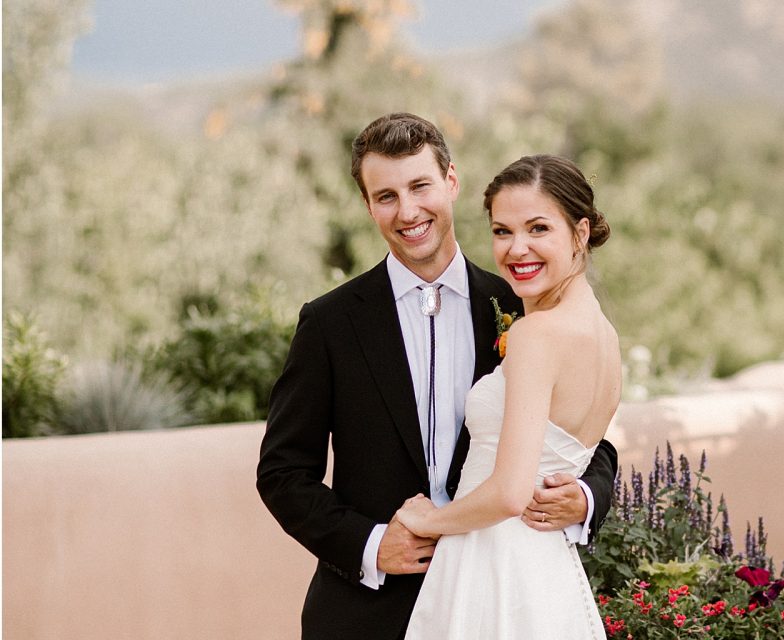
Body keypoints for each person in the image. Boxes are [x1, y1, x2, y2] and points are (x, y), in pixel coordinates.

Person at [256, 113, 618, 640]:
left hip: (495, 597)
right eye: (386, 196)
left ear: (451, 182)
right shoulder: (330, 323)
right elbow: (283, 472)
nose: (407, 211)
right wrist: (371, 544)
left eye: (420, 186)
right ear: (367, 205)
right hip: (366, 612)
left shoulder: (519, 304)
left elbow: (587, 434)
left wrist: (586, 495)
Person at [395, 153, 620, 639]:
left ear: (580, 233)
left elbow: (509, 493)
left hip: (493, 565)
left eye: (538, 228)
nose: (516, 249)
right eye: (502, 231)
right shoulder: (605, 337)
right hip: (547, 572)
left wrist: (430, 520)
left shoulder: (536, 335)